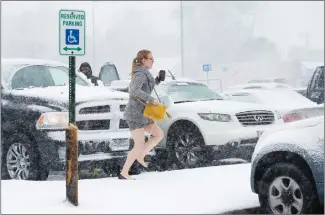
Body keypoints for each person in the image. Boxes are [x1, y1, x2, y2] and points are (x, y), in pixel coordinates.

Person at [119, 49, 165, 180]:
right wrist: (152, 99)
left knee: (158, 134)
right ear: (144, 60)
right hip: (135, 114)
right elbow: (134, 90)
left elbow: (145, 86)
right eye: (151, 59)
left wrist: (157, 80)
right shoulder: (140, 73)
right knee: (138, 144)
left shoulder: (144, 73)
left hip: (143, 113)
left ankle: (141, 155)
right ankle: (124, 172)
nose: (153, 61)